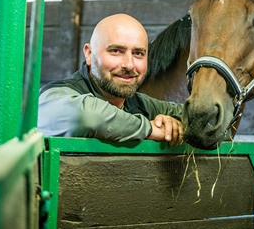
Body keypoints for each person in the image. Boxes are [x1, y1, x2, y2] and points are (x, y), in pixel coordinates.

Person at [37, 13, 183, 146]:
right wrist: (149, 129)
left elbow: (189, 114)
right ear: (89, 54)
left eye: (138, 53)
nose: (129, 65)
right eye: (116, 51)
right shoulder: (53, 96)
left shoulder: (142, 104)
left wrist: (172, 124)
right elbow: (87, 117)